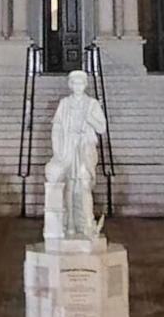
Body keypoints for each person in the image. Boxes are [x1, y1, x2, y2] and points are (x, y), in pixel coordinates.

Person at [45, 70, 107, 240]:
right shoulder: (64, 103)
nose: (77, 86)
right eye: (74, 83)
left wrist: (89, 119)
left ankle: (87, 222)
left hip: (85, 148)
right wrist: (58, 151)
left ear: (85, 84)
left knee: (84, 185)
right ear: (70, 85)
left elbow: (102, 127)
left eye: (80, 83)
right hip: (68, 147)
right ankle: (70, 223)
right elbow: (57, 127)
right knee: (70, 186)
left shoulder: (92, 104)